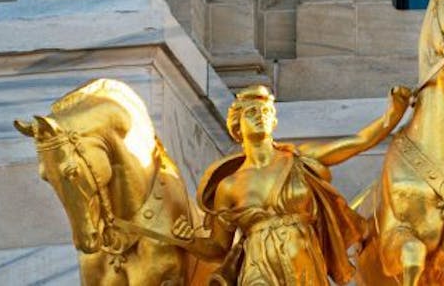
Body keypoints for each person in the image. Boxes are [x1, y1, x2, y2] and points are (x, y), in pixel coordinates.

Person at [176, 83, 413, 285]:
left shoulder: (298, 159)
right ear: (237, 126)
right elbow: (219, 247)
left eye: (266, 111)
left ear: (274, 120)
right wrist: (189, 241)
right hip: (258, 266)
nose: (260, 116)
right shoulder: (229, 185)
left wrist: (392, 116)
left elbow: (357, 143)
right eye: (251, 112)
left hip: (303, 260)